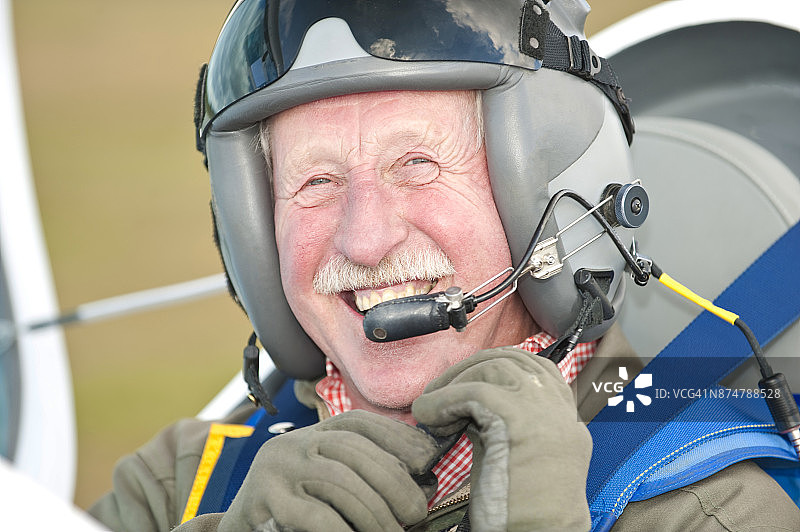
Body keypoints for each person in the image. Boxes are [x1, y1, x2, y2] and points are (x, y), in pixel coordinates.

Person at [89, 0, 800, 530]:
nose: (365, 241)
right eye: (316, 182)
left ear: (552, 195)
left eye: (418, 164)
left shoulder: (711, 509)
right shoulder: (184, 486)